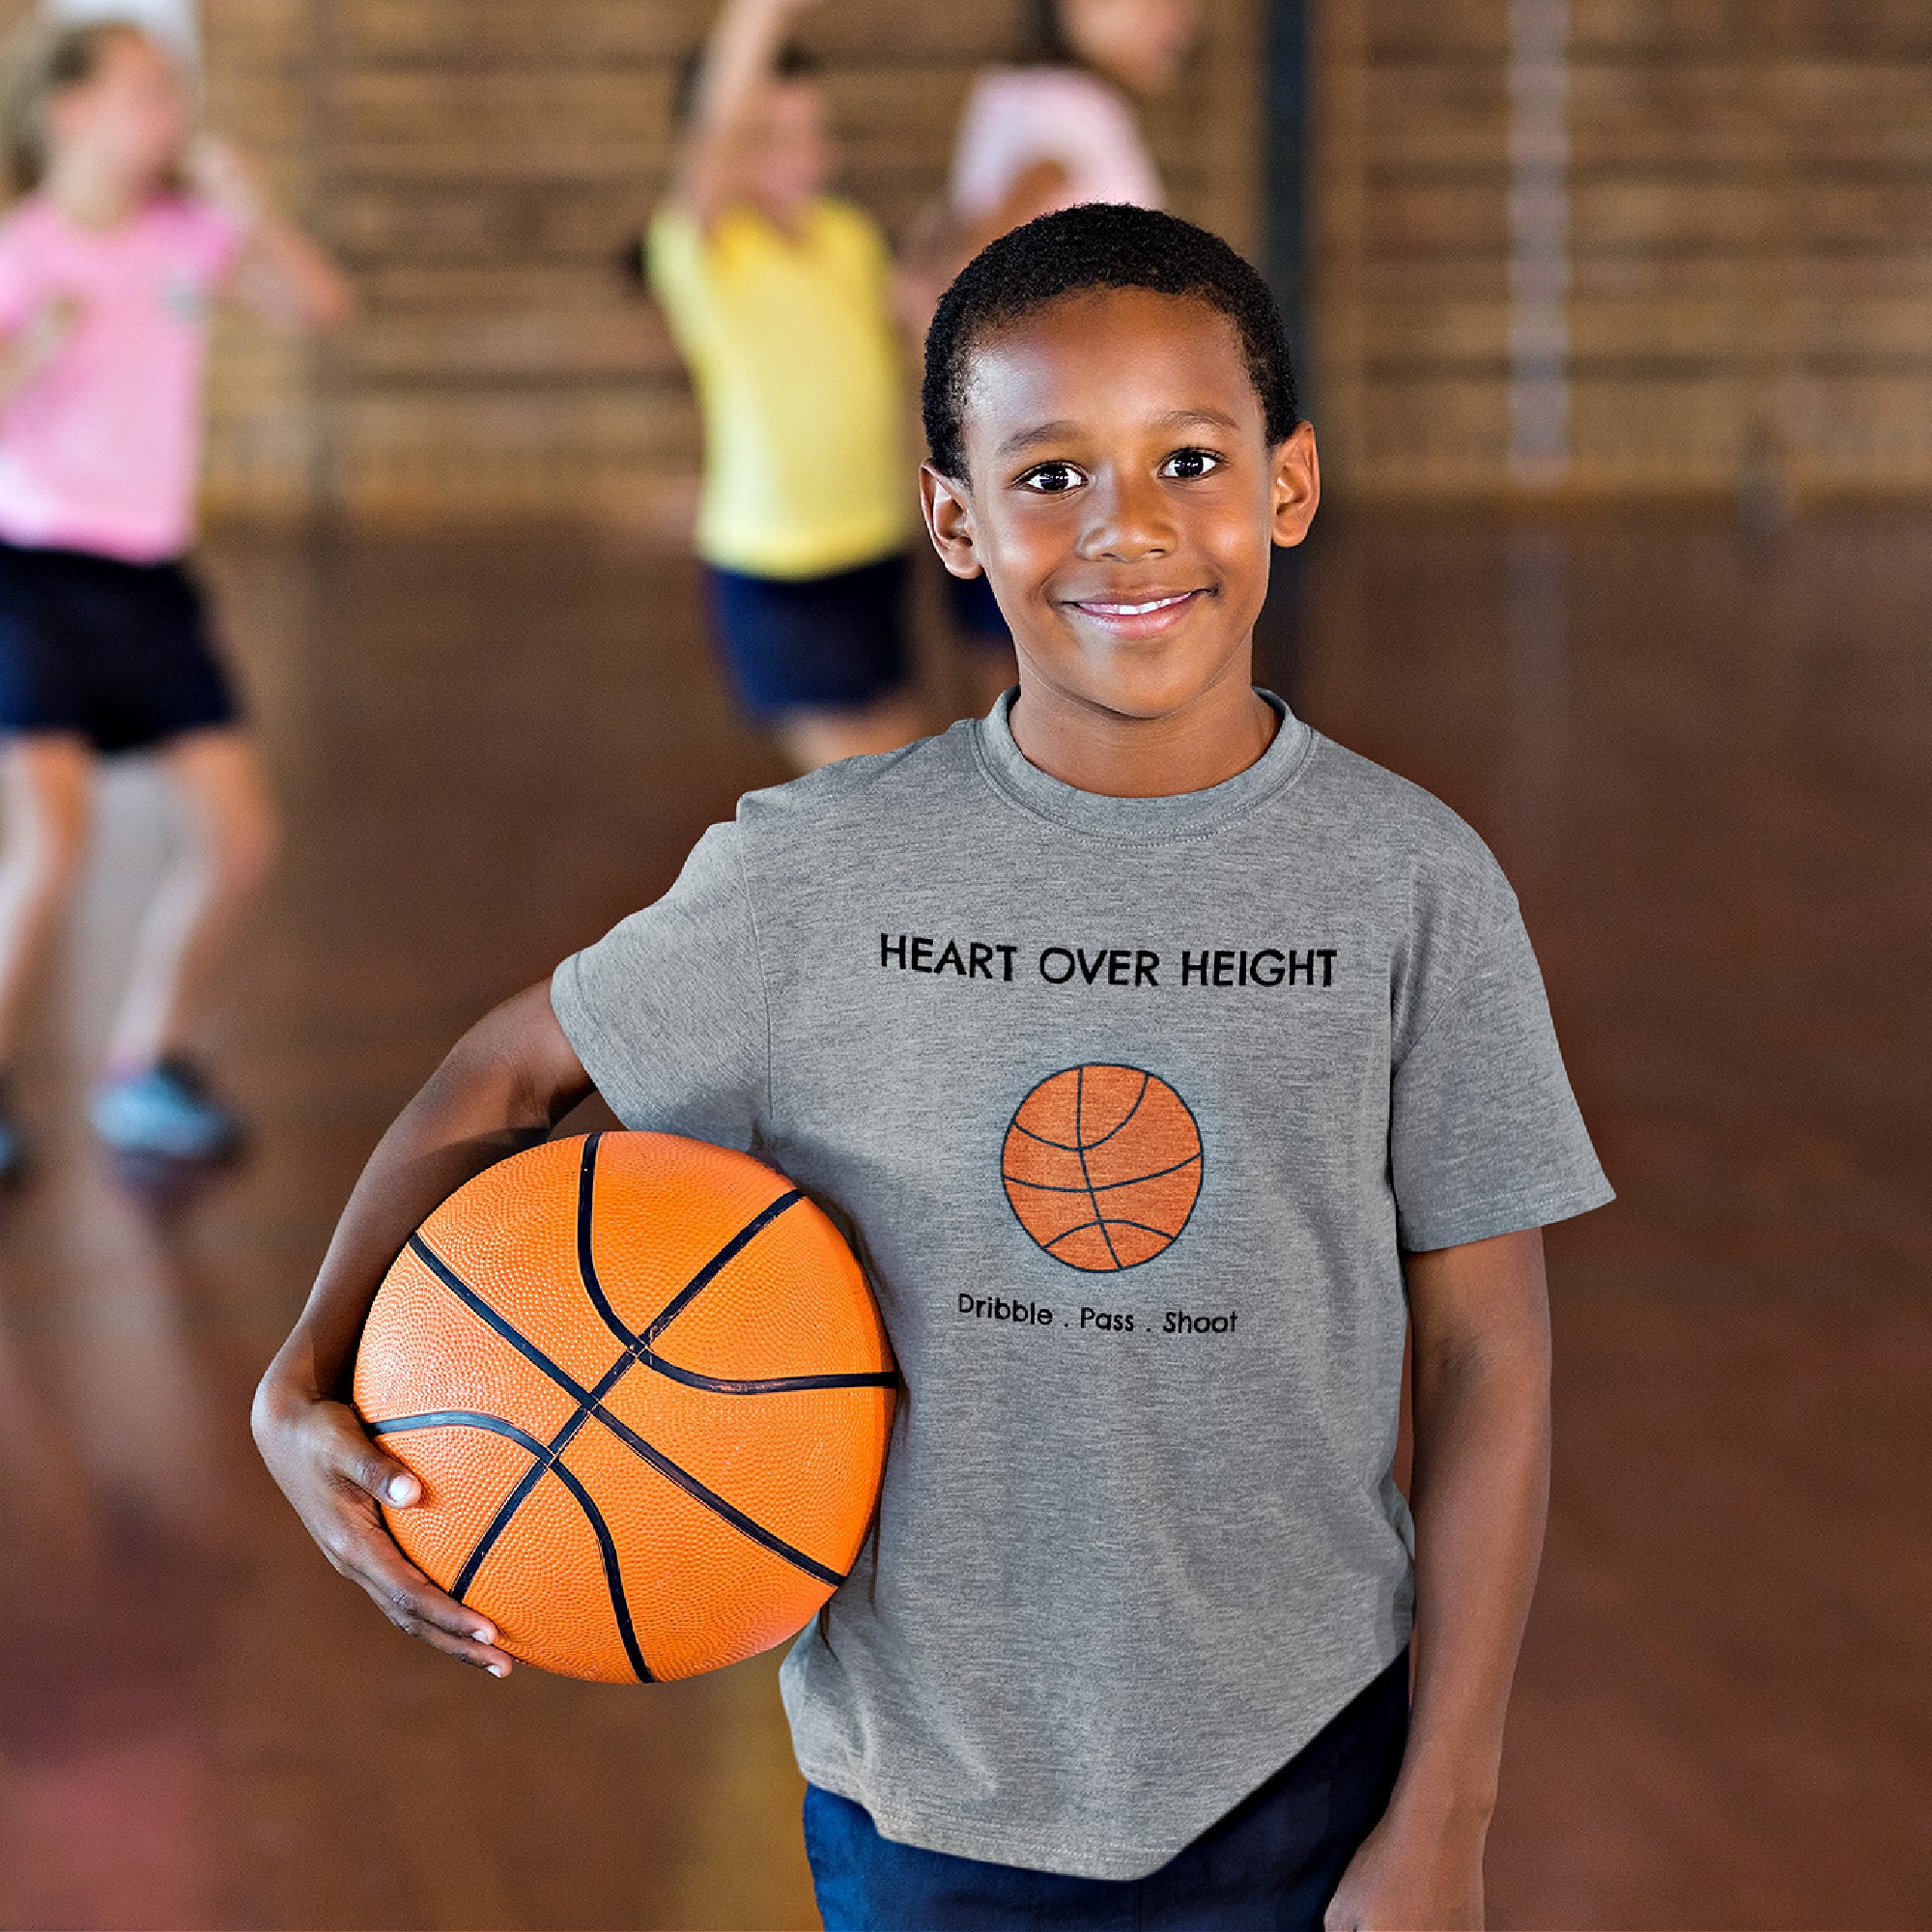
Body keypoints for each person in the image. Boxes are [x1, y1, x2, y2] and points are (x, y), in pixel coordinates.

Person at [255, 205, 1613, 1928]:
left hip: (1310, 1774)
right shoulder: (818, 877)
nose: (1129, 525)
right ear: (954, 520)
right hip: (926, 1798)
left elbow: (1490, 1351)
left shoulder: (1414, 887)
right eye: (1050, 475)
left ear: (1289, 485)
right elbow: (508, 1073)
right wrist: (298, 1372)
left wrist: (1451, 1814)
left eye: (1190, 457)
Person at [0, 17, 350, 1174]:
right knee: (49, 843)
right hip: (35, 577)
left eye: (175, 94)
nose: (171, 115)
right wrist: (25, 362)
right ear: (68, 114)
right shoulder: (23, 251)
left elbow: (317, 307)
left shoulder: (187, 237)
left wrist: (247, 206)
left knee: (241, 838)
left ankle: (144, 1063)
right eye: (146, 93)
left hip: (152, 582)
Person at [646, 0, 920, 776]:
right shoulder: (702, 250)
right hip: (779, 570)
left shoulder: (849, 236)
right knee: (869, 805)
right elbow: (716, 129)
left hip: (874, 544)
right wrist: (760, 17)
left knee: (908, 775)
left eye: (813, 133)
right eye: (769, 138)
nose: (803, 156)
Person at [905, 0, 1202, 700]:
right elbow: (959, 266)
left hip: (1015, 456)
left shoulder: (1011, 92)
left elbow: (927, 272)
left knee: (1015, 689)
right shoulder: (1074, 111)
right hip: (1064, 469)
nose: (1181, 18)